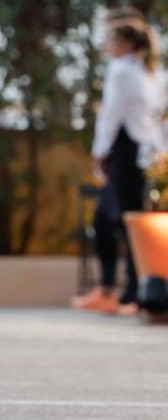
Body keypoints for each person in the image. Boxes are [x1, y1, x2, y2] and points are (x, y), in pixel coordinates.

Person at [73, 17, 161, 315]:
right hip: (140, 154)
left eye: (111, 39)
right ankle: (116, 291)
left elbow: (111, 115)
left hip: (125, 151)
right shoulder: (147, 71)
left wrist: (99, 153)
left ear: (125, 43)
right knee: (115, 221)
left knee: (125, 224)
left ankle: (131, 294)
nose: (107, 45)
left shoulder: (122, 70)